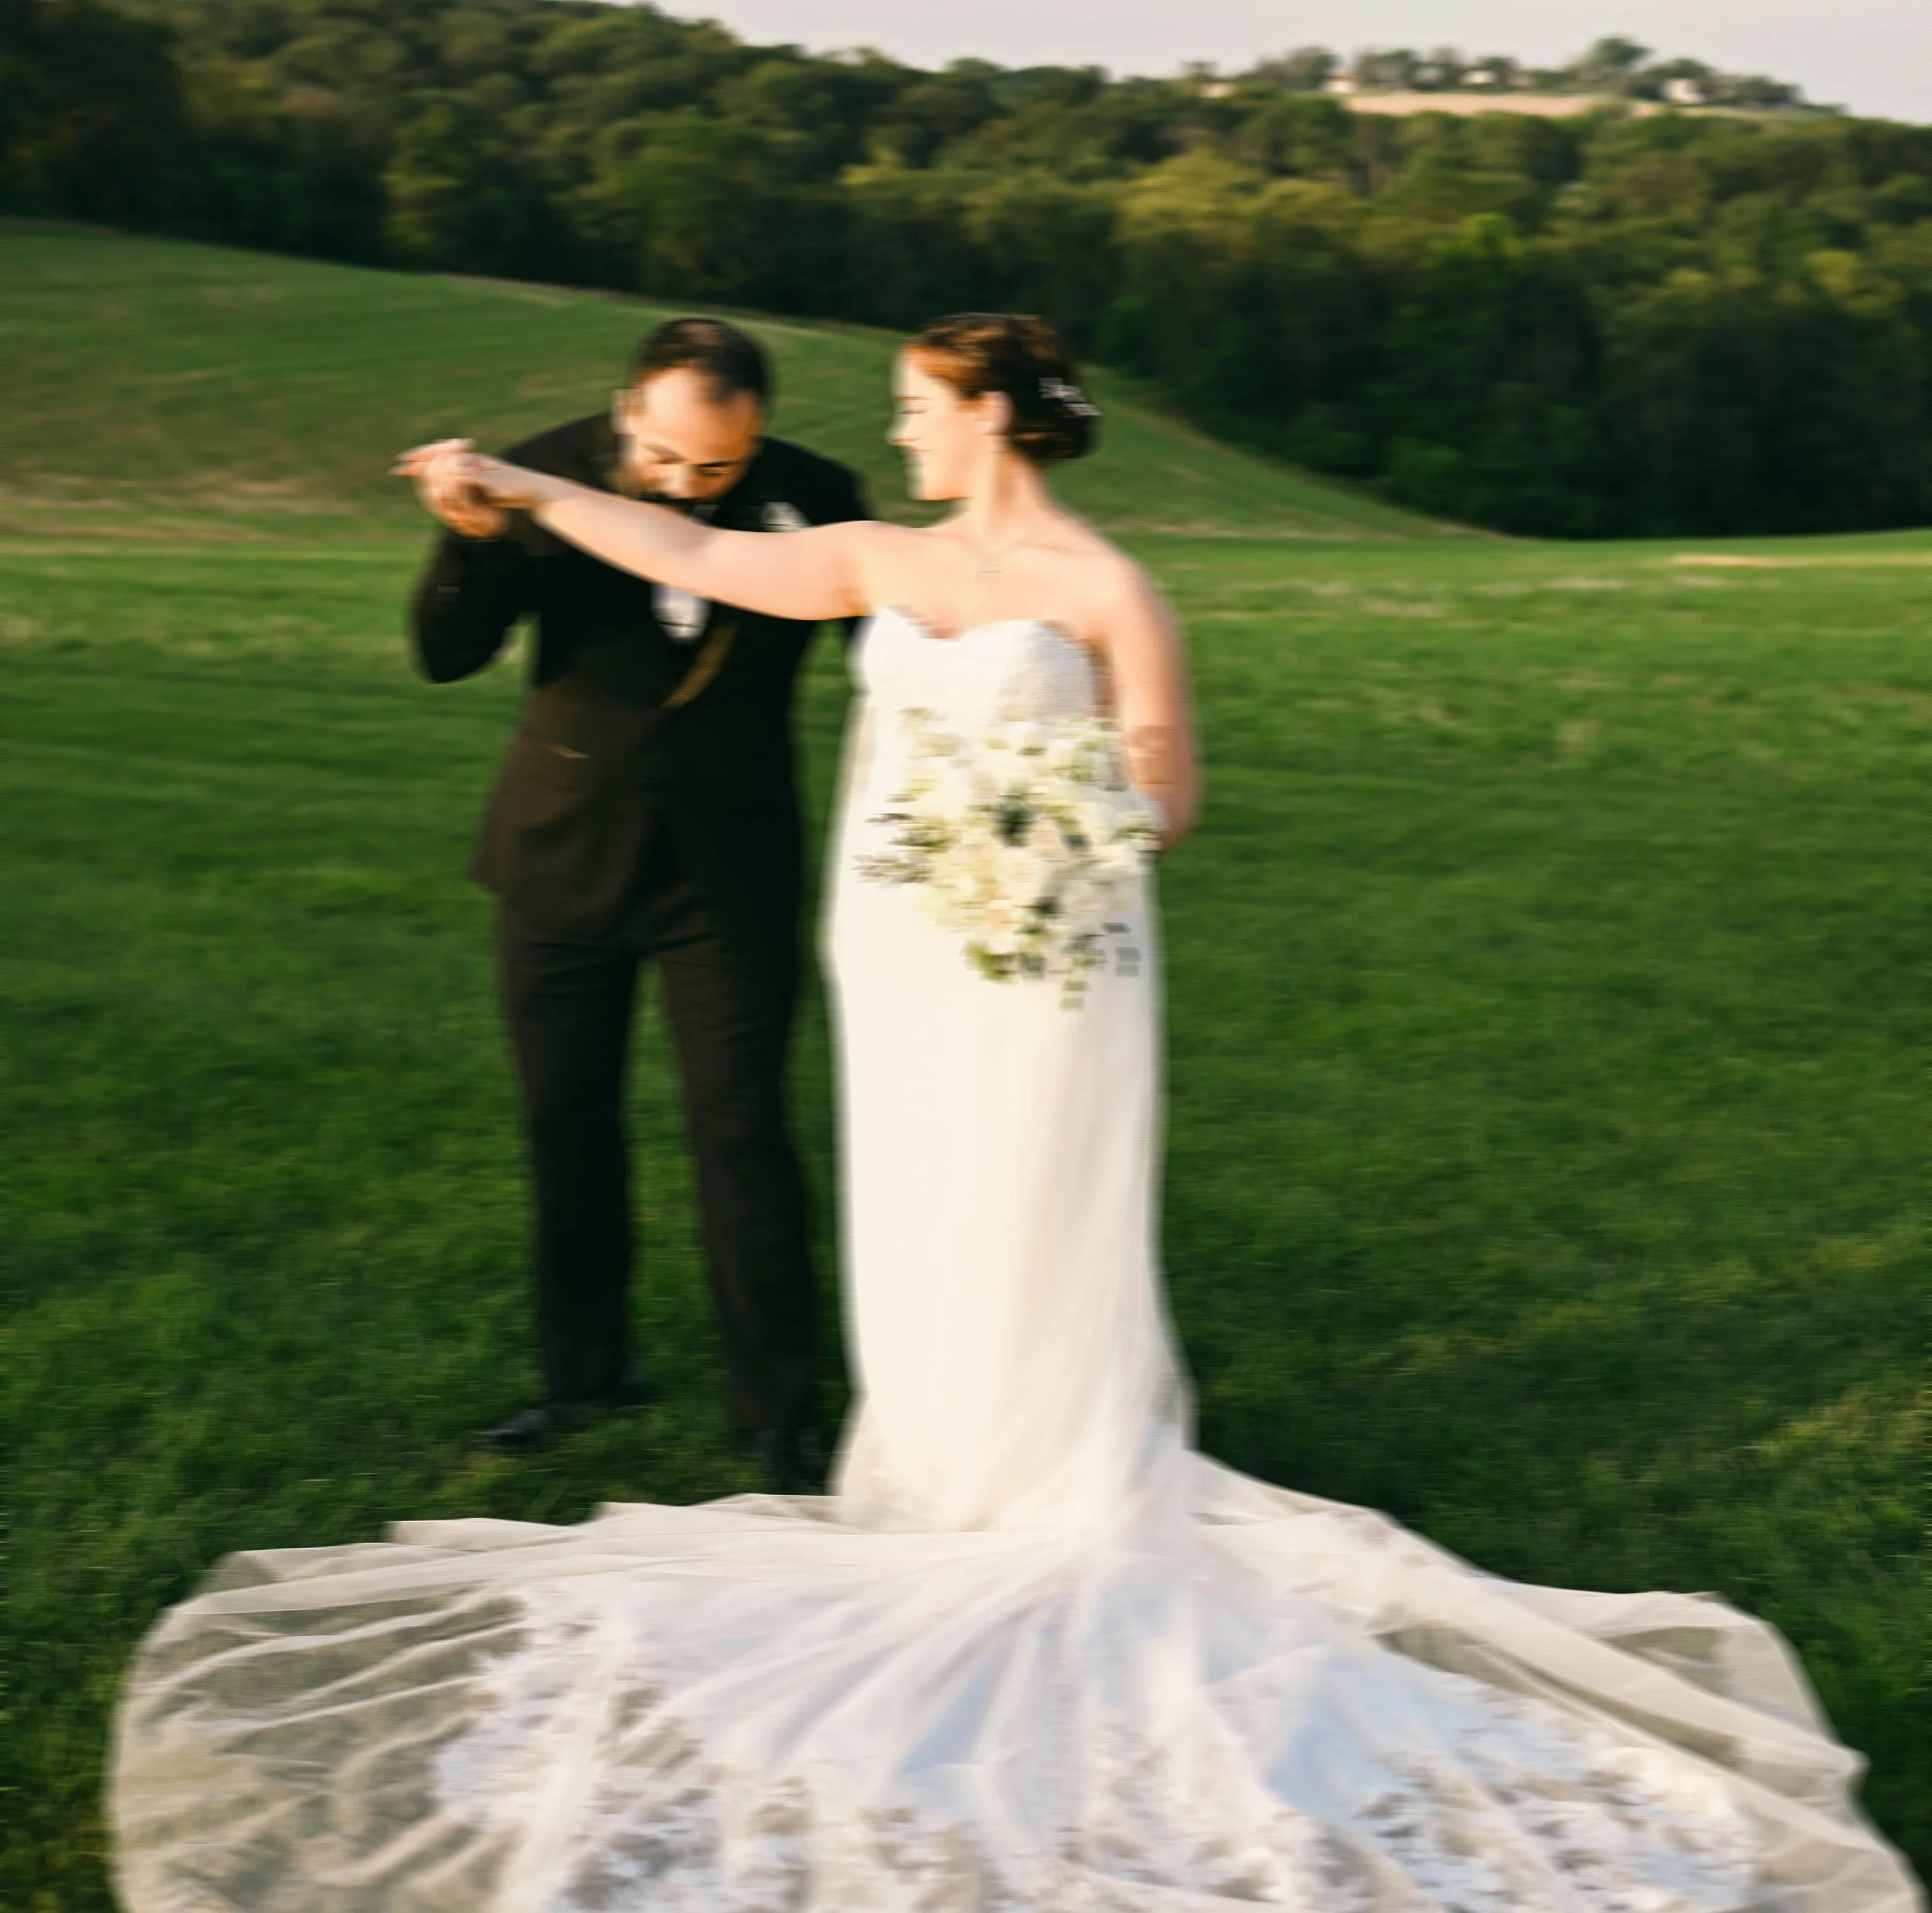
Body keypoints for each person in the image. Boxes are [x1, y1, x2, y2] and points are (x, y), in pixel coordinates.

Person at [112, 315, 1918, 1911]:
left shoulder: (1110, 591)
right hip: (896, 951)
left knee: (1019, 1201)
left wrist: (1042, 831)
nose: (893, 431)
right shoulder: (879, 555)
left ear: (988, 414)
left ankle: (1040, 1484)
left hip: (1042, 962)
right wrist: (511, 481)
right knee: (911, 1201)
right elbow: (674, 540)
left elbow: (1168, 797)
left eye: (914, 404)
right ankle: (933, 1463)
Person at [406, 314, 866, 1479]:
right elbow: (443, 651)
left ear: (757, 436)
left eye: (717, 468)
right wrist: (470, 545)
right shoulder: (538, 472)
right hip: (559, 855)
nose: (684, 486)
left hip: (733, 868)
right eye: (664, 459)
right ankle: (581, 1379)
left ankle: (779, 1417)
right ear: (628, 411)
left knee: (744, 1132)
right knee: (567, 1121)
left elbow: (894, 656)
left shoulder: (820, 495)